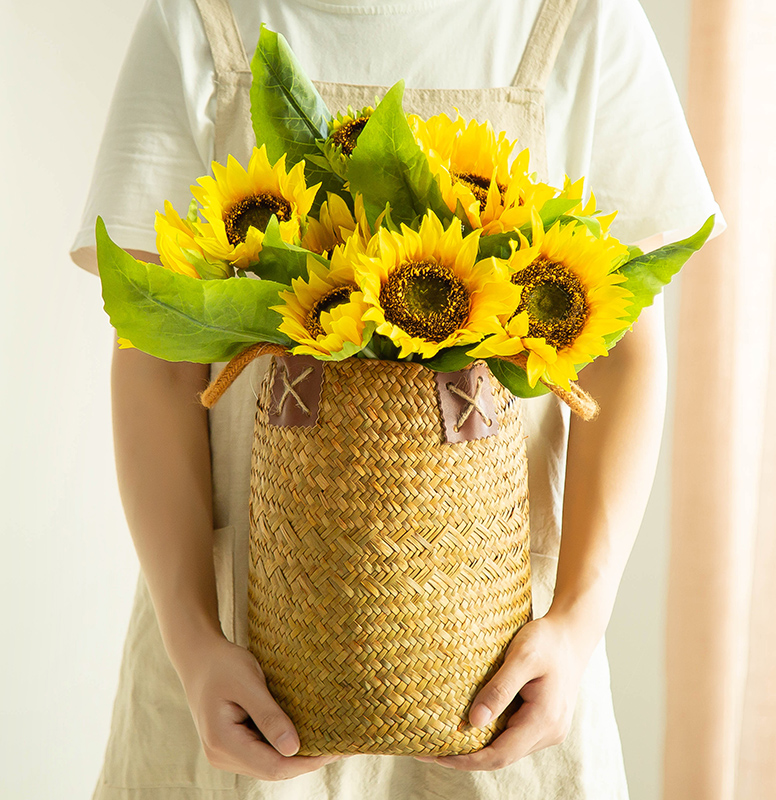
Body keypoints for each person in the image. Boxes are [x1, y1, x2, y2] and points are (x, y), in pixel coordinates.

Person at [70, 0, 725, 797]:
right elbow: (156, 353)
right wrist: (191, 636)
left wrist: (580, 623)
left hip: (507, 669)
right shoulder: (199, 17)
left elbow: (620, 350)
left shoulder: (577, 16)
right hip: (233, 668)